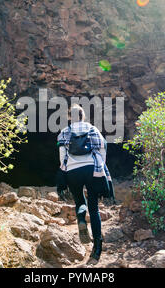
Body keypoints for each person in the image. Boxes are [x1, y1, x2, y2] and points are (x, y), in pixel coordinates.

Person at [56, 104, 114, 265]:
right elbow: (103, 147)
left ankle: (81, 219)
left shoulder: (64, 132)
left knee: (79, 201)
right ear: (83, 116)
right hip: (92, 170)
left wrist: (66, 170)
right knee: (94, 208)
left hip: (74, 171)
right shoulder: (92, 129)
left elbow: (62, 155)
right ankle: (96, 249)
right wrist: (100, 164)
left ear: (70, 117)